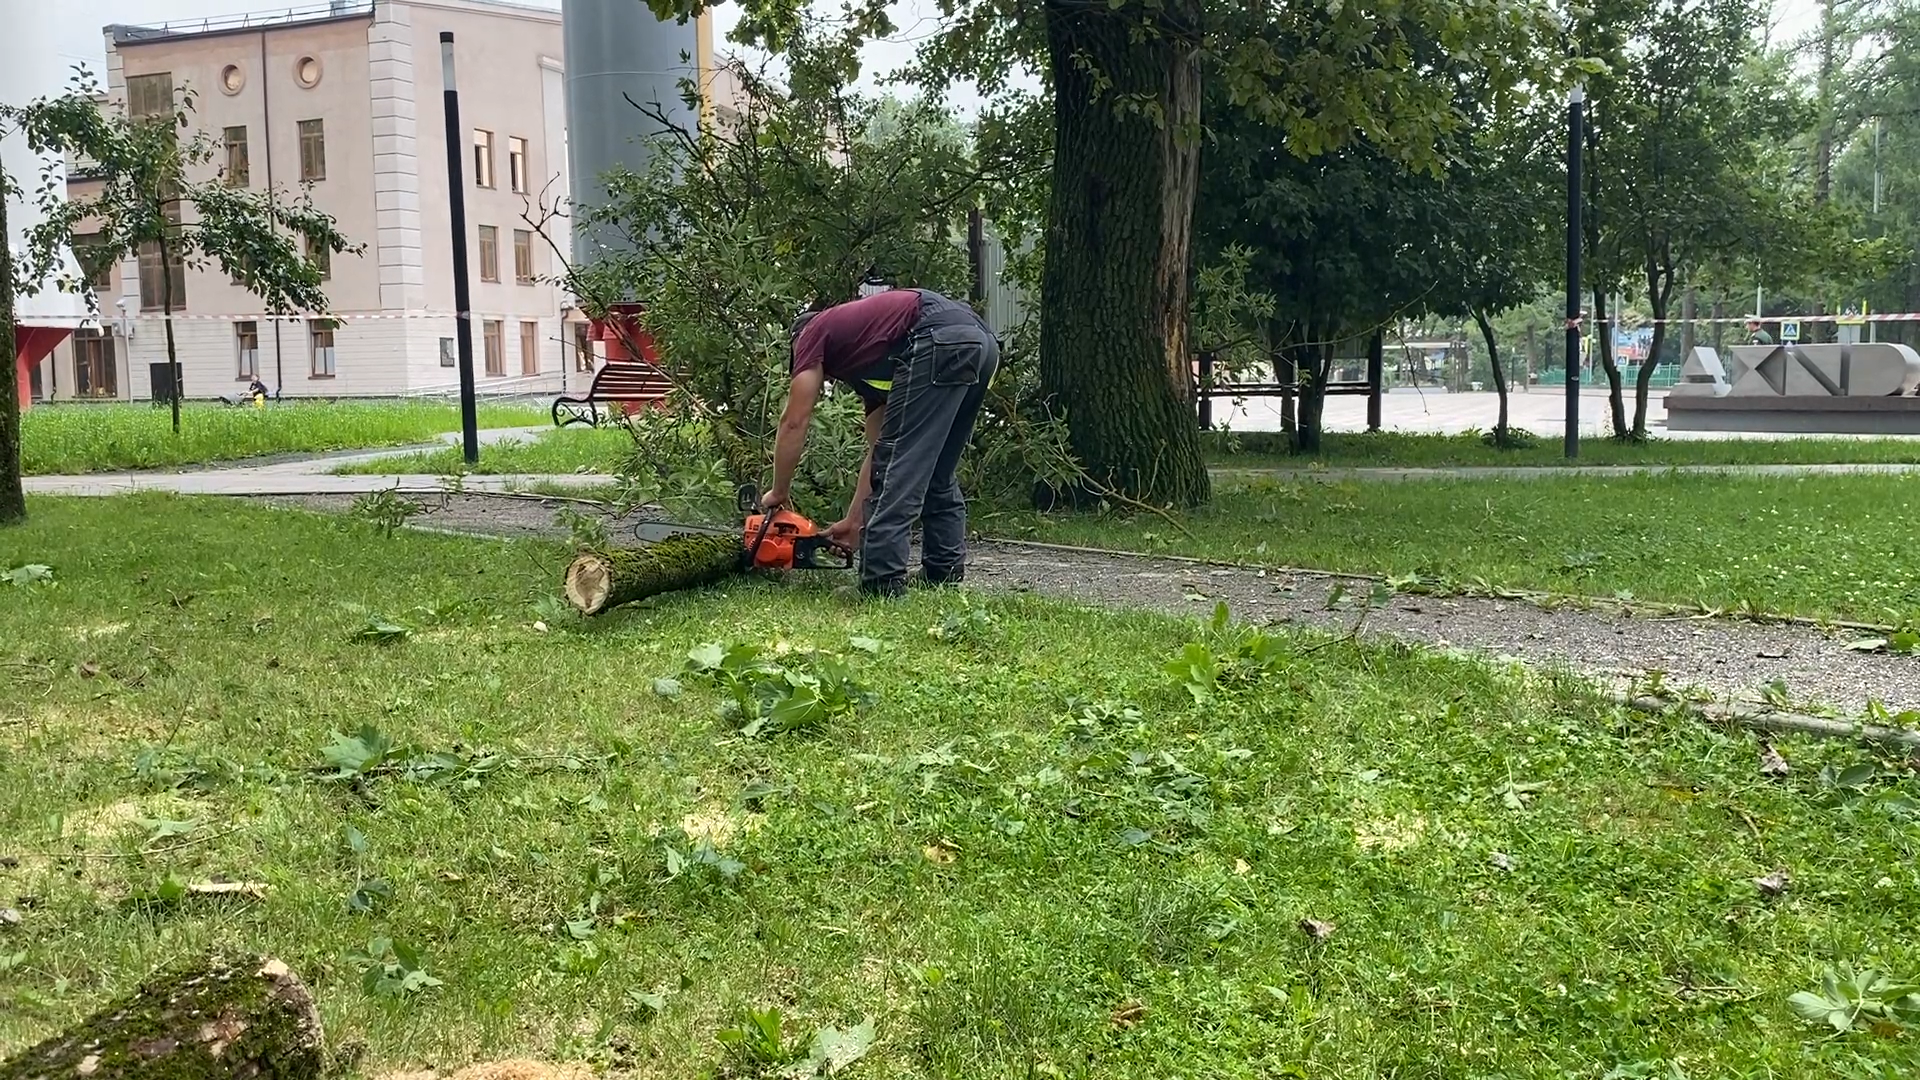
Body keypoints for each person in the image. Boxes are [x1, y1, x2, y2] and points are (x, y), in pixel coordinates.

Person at [764, 286, 1000, 597]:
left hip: (938, 337)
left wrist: (778, 492)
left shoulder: (811, 332)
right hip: (981, 345)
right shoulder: (869, 356)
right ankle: (942, 575)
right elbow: (880, 450)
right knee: (937, 469)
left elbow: (794, 421)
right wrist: (853, 522)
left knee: (900, 470)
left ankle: (880, 583)